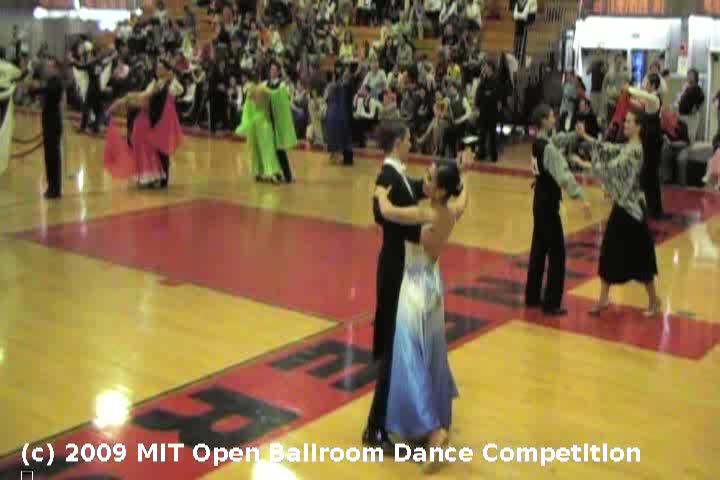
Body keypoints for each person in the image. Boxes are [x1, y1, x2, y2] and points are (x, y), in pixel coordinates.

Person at [374, 155, 470, 472]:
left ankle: (432, 431)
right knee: (431, 354)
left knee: (410, 359)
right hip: (434, 287)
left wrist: (381, 194)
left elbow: (389, 213)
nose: (423, 181)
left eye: (429, 179)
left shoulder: (426, 213)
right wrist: (465, 175)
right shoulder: (450, 211)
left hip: (414, 290)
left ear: (440, 191)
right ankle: (433, 420)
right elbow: (463, 199)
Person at [572, 88, 662, 317]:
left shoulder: (635, 151)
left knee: (642, 259)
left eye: (630, 122)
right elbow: (609, 149)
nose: (625, 124)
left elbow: (614, 168)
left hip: (633, 211)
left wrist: (585, 165)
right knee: (609, 252)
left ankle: (654, 301)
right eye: (626, 121)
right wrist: (586, 137)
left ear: (639, 127)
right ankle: (603, 299)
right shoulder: (628, 146)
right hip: (622, 207)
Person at [525, 104, 591, 315]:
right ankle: (552, 302)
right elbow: (564, 176)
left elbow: (557, 140)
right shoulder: (549, 149)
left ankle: (532, 296)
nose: (555, 119)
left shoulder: (538, 143)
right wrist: (581, 197)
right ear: (544, 121)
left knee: (538, 250)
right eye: (552, 116)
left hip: (539, 202)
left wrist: (575, 135)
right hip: (548, 205)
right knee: (557, 254)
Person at [105, 60, 184, 188]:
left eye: (160, 68)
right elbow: (145, 96)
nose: (157, 70)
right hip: (150, 119)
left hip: (161, 121)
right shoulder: (154, 83)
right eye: (157, 67)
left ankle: (161, 178)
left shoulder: (170, 84)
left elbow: (179, 90)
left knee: (160, 150)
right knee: (149, 148)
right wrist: (131, 98)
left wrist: (172, 79)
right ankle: (153, 177)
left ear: (166, 70)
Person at [27, 57, 64, 199]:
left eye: (50, 67)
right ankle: (51, 186)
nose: (48, 69)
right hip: (48, 120)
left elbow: (47, 90)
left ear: (56, 69)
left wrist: (35, 90)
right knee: (49, 155)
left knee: (53, 156)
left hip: (53, 121)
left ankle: (55, 189)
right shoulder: (50, 81)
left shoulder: (56, 82)